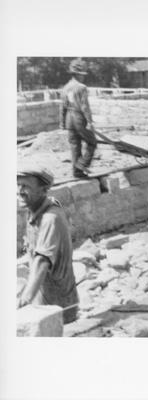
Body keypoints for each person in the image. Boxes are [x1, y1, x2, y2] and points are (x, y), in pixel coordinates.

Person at [17, 162, 79, 324]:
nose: (19, 191)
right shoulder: (33, 210)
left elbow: (41, 261)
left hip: (58, 307)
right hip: (43, 300)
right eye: (18, 185)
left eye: (26, 186)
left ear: (43, 190)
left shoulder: (51, 218)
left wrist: (24, 300)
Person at [60, 59, 97, 178]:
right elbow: (84, 106)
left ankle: (77, 172)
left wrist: (62, 123)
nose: (83, 77)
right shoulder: (81, 87)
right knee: (92, 142)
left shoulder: (65, 87)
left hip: (69, 119)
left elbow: (62, 107)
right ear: (77, 74)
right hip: (79, 117)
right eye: (82, 75)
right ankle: (82, 164)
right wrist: (90, 122)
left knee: (75, 146)